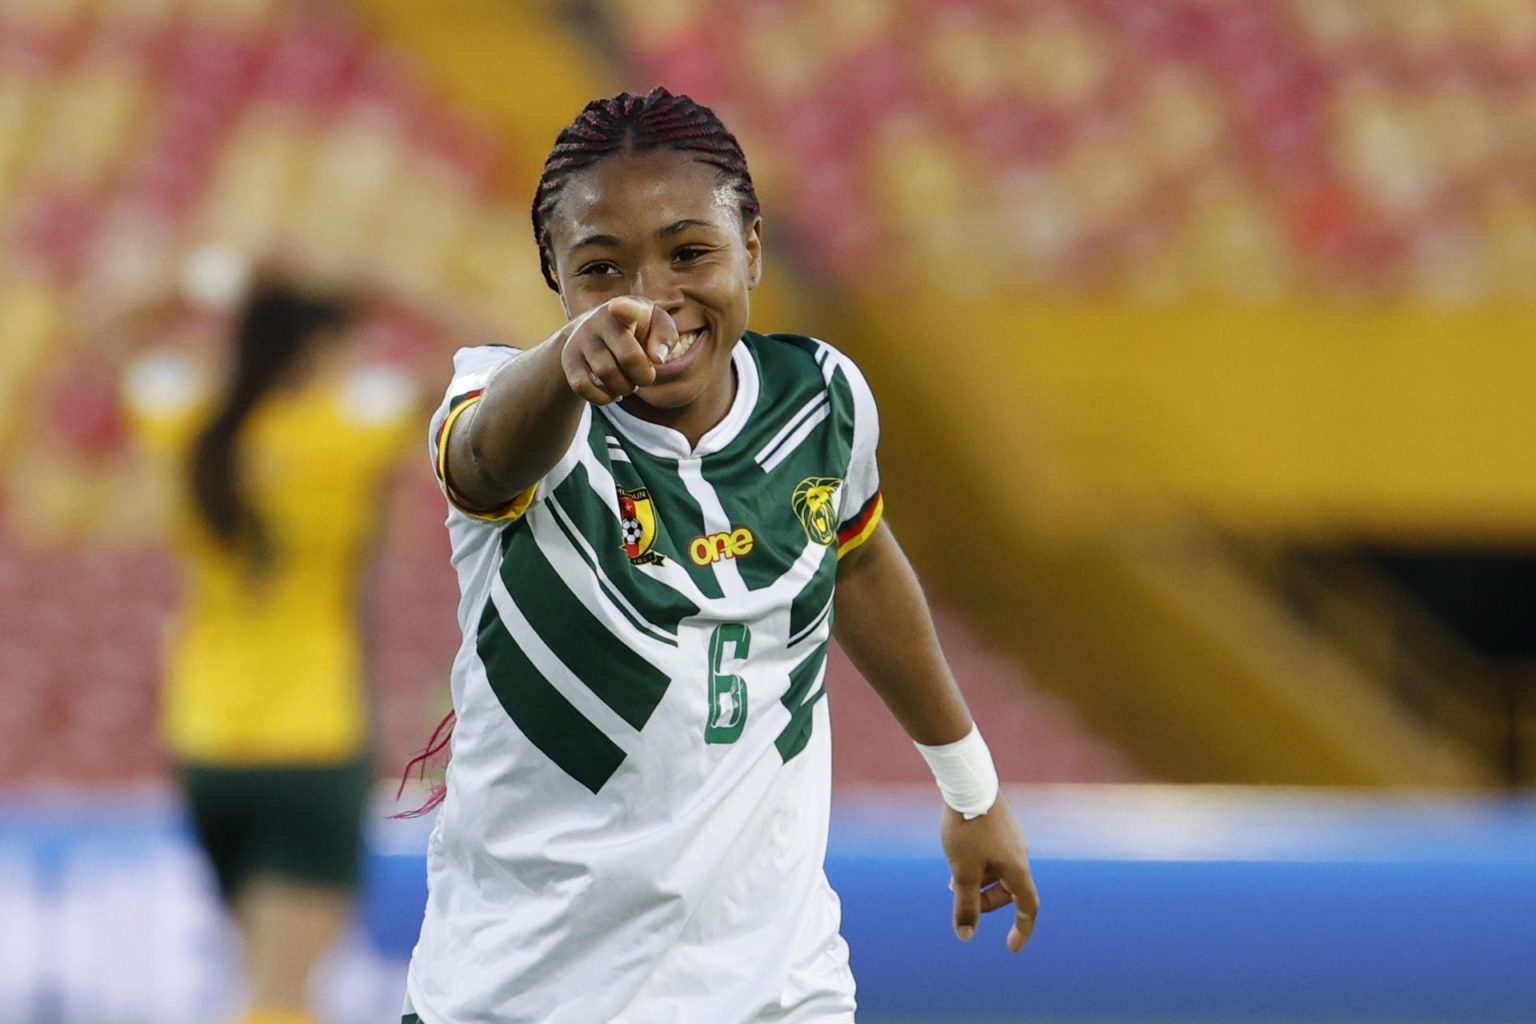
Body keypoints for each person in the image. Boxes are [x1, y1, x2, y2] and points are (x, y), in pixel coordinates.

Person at [404, 88, 1038, 1024]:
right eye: (599, 268)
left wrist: (970, 786)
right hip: (524, 995)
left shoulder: (821, 399)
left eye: (689, 251)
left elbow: (856, 560)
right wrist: (564, 363)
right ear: (556, 281)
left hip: (776, 989)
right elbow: (480, 456)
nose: (651, 296)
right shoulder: (519, 409)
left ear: (751, 243)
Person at [121, 276, 417, 1024]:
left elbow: (104, 332)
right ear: (317, 349)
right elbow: (496, 362)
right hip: (311, 738)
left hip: (207, 740)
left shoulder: (194, 422)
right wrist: (395, 281)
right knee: (284, 994)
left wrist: (191, 277)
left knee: (259, 980)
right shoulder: (344, 429)